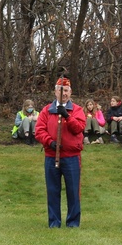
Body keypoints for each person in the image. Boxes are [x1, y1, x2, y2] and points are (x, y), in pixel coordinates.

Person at [35, 77, 86, 228]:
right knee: (52, 190)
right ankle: (54, 222)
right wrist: (49, 142)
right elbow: (39, 131)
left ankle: (73, 222)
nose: (63, 93)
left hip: (71, 157)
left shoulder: (77, 110)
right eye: (60, 90)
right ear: (55, 91)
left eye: (66, 91)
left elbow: (78, 128)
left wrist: (67, 116)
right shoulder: (46, 110)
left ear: (70, 93)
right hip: (51, 156)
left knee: (73, 191)